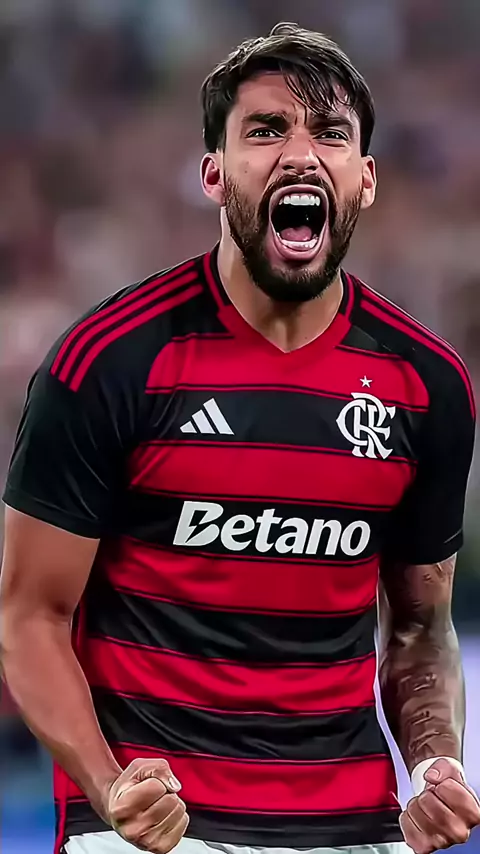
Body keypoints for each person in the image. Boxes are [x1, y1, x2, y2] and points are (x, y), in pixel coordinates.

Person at [0, 20, 479, 854]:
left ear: (365, 179)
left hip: (351, 827)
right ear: (214, 175)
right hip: (154, 828)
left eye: (329, 133)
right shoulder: (110, 360)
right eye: (266, 130)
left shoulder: (427, 383)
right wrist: (109, 785)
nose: (301, 155)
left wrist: (436, 762)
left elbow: (418, 628)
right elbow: (30, 617)